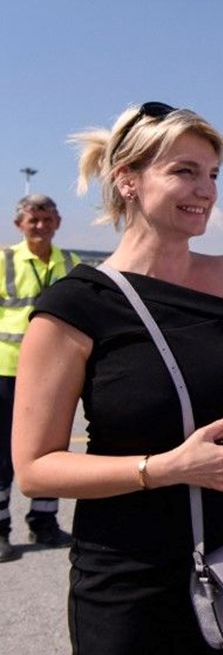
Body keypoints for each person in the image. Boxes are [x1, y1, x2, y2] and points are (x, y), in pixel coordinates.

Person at [11, 102, 223, 654]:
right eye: (184, 171)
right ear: (128, 180)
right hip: (133, 581)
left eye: (213, 174)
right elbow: (35, 469)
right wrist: (165, 468)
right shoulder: (76, 305)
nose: (206, 190)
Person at [0, 194, 79, 562]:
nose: (41, 226)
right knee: (2, 453)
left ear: (58, 223)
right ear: (19, 224)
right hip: (7, 369)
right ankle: (1, 530)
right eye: (34, 220)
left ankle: (44, 523)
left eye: (48, 220)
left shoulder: (71, 263)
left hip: (56, 373)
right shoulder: (5, 261)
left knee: (51, 449)